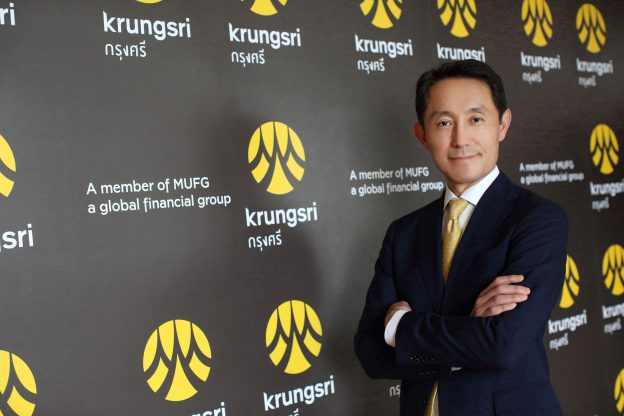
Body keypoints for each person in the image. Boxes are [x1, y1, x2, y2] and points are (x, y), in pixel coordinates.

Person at [354, 59, 567, 416]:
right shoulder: (403, 233)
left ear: (502, 124)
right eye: (444, 122)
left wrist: (400, 327)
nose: (460, 139)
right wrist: (466, 333)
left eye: (476, 119)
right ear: (422, 135)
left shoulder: (537, 220)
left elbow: (503, 345)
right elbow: (371, 352)